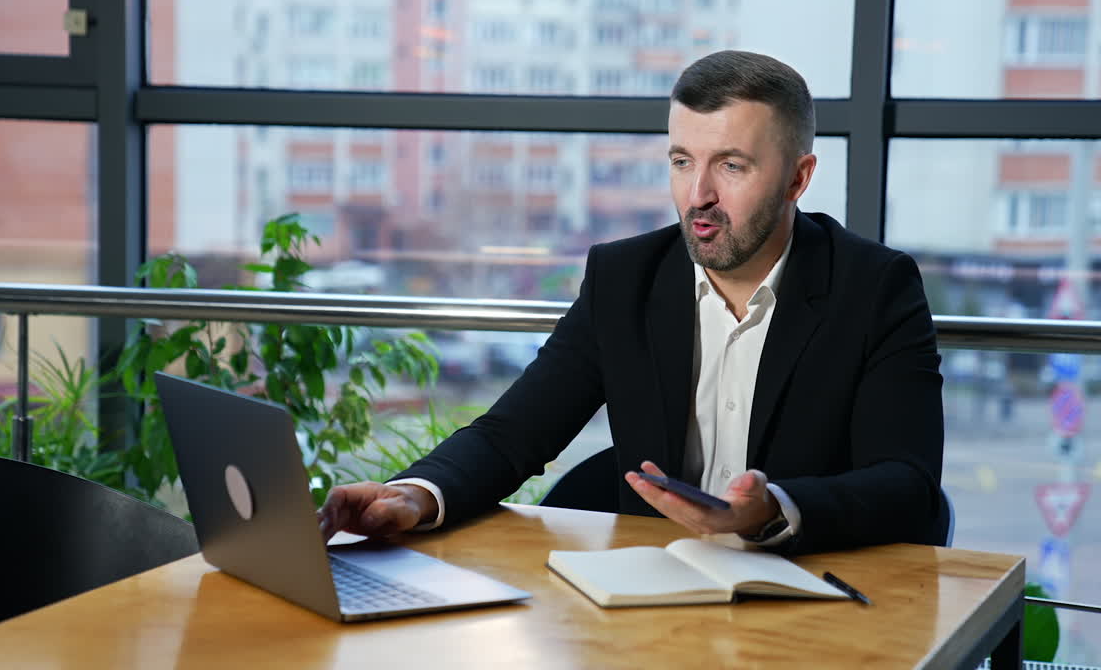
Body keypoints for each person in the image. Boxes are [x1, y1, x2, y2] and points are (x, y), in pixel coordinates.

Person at [318, 50, 944, 555]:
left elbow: (907, 483)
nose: (697, 195)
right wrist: (415, 496)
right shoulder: (625, 278)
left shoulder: (875, 287)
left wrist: (772, 508)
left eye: (731, 166)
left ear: (798, 179)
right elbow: (514, 434)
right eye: (681, 161)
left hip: (814, 594)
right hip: (649, 598)